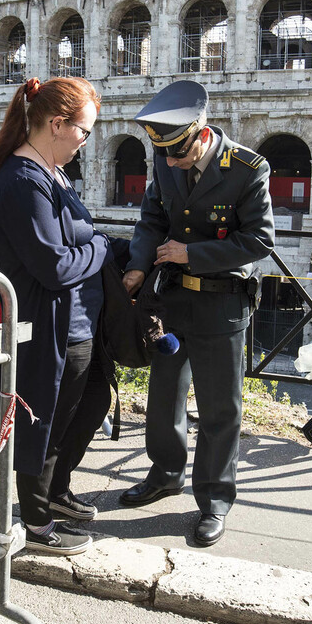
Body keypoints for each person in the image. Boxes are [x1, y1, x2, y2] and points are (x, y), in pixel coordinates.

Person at [118, 80, 274, 548]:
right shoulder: (167, 162)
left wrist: (192, 253)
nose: (169, 163)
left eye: (178, 154)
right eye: (162, 154)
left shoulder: (248, 169)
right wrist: (138, 267)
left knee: (219, 408)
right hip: (173, 302)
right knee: (164, 396)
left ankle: (214, 500)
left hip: (222, 303)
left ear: (201, 136)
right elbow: (151, 220)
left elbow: (260, 241)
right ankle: (165, 472)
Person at [0, 77, 112, 555]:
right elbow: (55, 266)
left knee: (88, 407)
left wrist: (90, 250)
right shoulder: (23, 180)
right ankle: (35, 521)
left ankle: (55, 493)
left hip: (77, 323)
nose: (86, 140)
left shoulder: (51, 171)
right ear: (57, 124)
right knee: (42, 424)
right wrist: (99, 247)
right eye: (84, 130)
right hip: (49, 325)